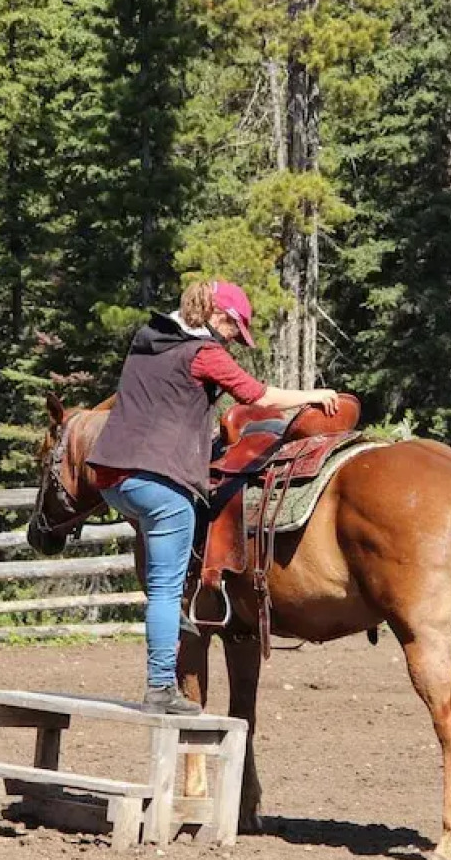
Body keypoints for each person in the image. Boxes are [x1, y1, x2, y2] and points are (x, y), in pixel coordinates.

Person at [86, 280, 339, 715]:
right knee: (167, 589)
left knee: (166, 578)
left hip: (112, 476)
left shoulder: (149, 340)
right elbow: (257, 396)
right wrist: (313, 394)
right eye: (233, 330)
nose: (232, 340)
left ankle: (181, 620)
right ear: (218, 316)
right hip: (159, 479)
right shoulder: (204, 353)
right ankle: (161, 688)